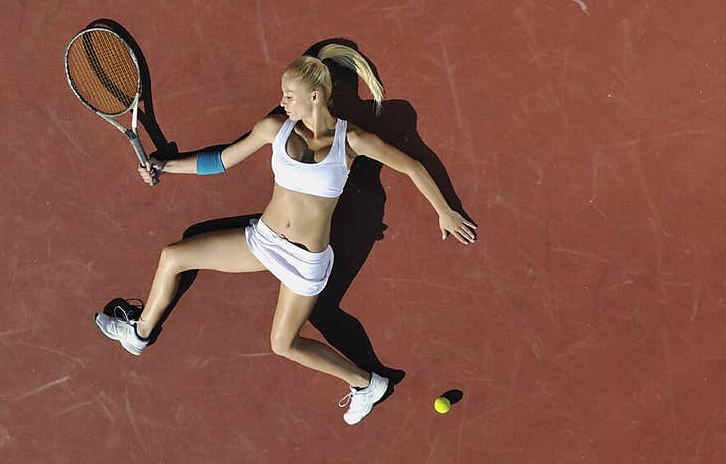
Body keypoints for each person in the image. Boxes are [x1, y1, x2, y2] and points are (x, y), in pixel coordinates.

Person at [95, 44, 477, 424]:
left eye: (288, 95)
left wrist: (445, 212)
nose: (282, 101)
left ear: (314, 96)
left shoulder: (352, 141)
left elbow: (411, 166)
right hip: (263, 241)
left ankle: (366, 383)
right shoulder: (273, 127)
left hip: (305, 264)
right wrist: (165, 166)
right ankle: (139, 333)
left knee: (282, 344)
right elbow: (223, 159)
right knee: (173, 256)